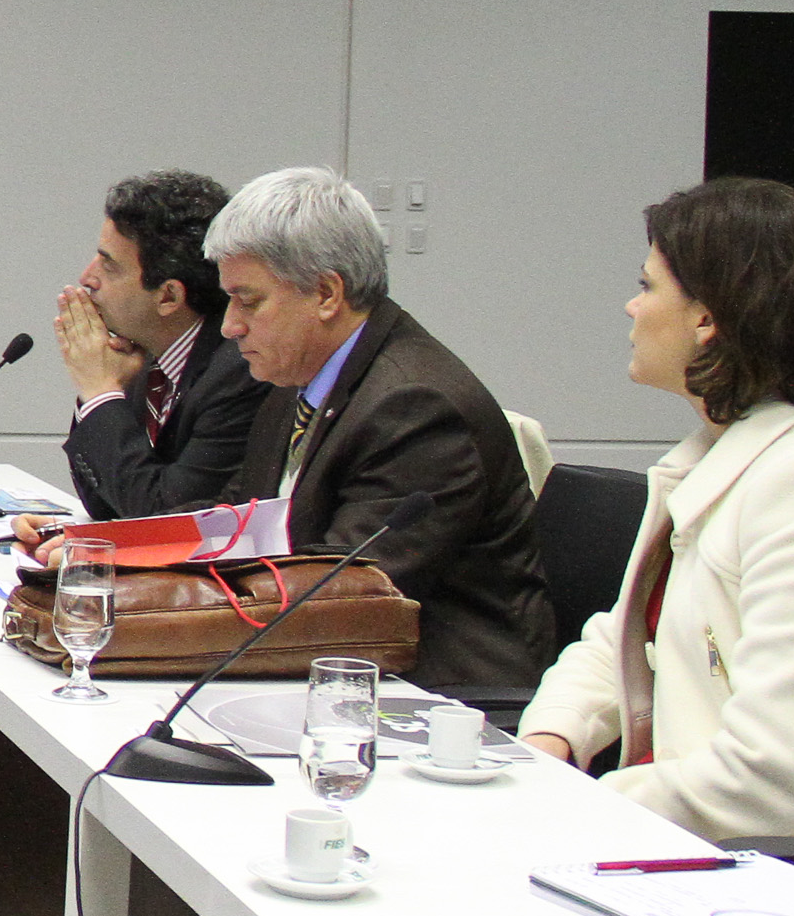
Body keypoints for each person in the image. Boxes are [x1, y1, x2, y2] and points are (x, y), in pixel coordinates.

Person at [520, 180, 794, 847]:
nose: (631, 305)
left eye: (647, 286)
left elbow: (771, 777)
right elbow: (619, 640)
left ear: (707, 319)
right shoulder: (715, 459)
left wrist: (578, 806)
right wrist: (549, 742)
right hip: (706, 852)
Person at [204, 166, 560, 692]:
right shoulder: (297, 379)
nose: (230, 325)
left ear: (326, 293)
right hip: (331, 662)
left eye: (249, 300)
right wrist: (119, 558)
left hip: (447, 691)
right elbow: (239, 520)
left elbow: (349, 590)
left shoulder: (415, 406)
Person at [54, 169, 268, 521]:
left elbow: (165, 517)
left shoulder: (238, 372)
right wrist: (105, 392)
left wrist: (99, 392)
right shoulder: (148, 355)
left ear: (169, 296)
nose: (87, 278)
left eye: (109, 265)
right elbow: (104, 503)